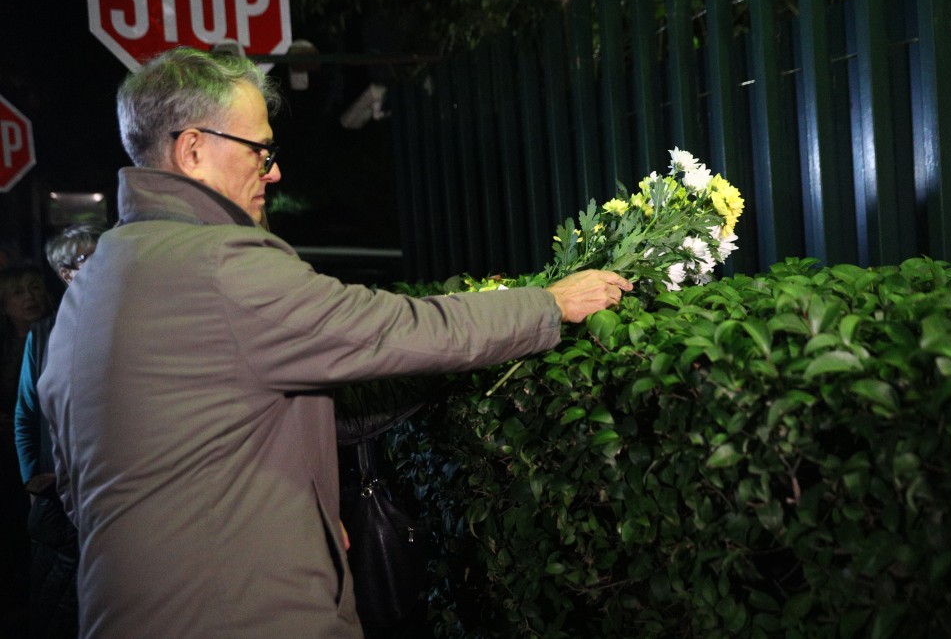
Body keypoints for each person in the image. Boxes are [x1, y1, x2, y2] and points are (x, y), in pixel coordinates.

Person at [38, 46, 632, 639]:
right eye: (259, 150)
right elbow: (393, 329)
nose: (273, 171)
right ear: (193, 149)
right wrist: (549, 303)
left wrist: (299, 517)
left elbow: (83, 471)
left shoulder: (93, 281)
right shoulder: (221, 265)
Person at [14, 223, 103, 638]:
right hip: (57, 486)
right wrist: (32, 474)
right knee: (58, 604)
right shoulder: (43, 334)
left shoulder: (127, 319)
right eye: (89, 258)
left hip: (107, 484)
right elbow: (27, 412)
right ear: (66, 272)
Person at [0, 266, 54, 637]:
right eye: (19, 293)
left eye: (35, 289)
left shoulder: (53, 334)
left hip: (41, 452)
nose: (30, 297)